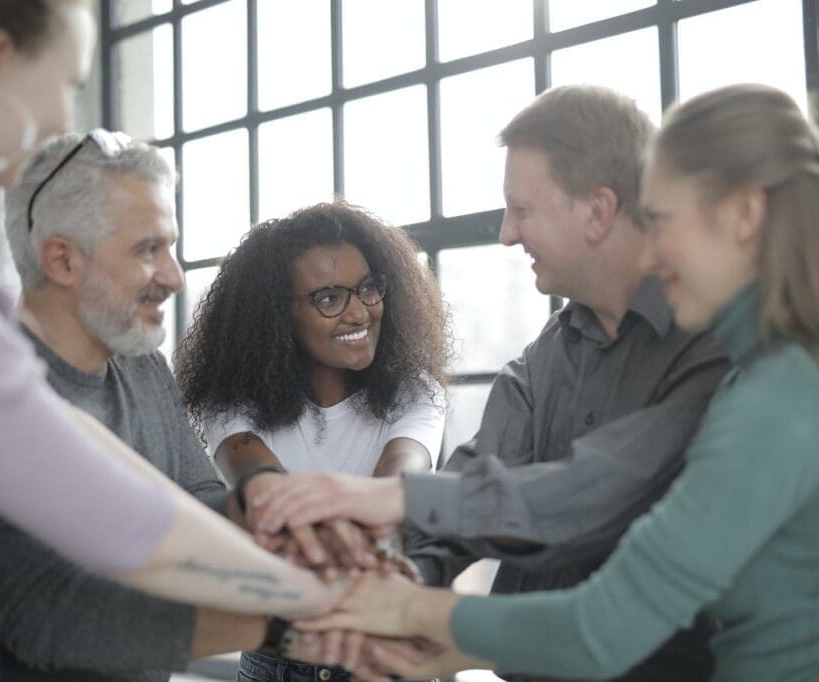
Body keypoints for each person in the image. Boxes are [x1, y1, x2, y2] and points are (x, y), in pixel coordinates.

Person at [294, 83, 819, 682]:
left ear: (744, 215)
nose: (650, 247)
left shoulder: (775, 395)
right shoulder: (792, 377)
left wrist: (402, 598)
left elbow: (599, 605)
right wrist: (412, 597)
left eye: (661, 220)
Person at [0, 2, 342, 680]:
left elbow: (120, 474)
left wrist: (260, 509)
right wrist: (315, 610)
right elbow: (103, 525)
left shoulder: (133, 365)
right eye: (71, 81)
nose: (64, 122)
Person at [250, 85, 730, 680]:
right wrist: (402, 576)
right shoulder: (549, 354)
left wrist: (387, 502)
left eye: (522, 210)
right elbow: (476, 484)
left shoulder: (712, 349)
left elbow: (588, 496)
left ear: (599, 211)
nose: (506, 233)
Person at [0, 131, 290, 681]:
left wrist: (261, 510)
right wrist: (289, 623)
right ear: (63, 260)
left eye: (172, 247)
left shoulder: (141, 364)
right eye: (148, 250)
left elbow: (194, 498)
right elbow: (52, 617)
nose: (176, 276)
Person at [174, 200, 451, 682]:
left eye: (368, 287)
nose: (359, 311)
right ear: (277, 315)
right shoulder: (231, 403)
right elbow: (265, 490)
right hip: (278, 662)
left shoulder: (416, 391)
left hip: (384, 657)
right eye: (328, 298)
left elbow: (399, 482)